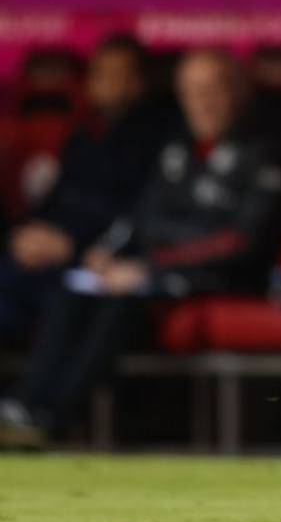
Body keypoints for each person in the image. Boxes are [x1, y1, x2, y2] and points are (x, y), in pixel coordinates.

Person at [0, 49, 281, 447]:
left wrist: (152, 266)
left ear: (238, 92)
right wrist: (107, 255)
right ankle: (24, 407)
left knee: (120, 301)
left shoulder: (268, 149)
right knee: (77, 287)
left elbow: (243, 241)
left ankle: (52, 420)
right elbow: (143, 219)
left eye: (211, 91)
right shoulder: (178, 151)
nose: (202, 103)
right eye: (191, 93)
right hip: (159, 274)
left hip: (223, 279)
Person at [0, 35, 164, 348]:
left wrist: (72, 247)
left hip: (94, 262)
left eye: (121, 74)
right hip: (46, 255)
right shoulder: (84, 136)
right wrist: (26, 235)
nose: (110, 84)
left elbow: (137, 215)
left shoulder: (157, 141)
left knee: (66, 302)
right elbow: (56, 200)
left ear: (140, 82)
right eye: (101, 74)